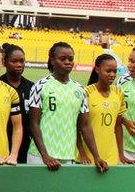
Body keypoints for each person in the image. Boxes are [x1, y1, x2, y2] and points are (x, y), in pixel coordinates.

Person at [27, 42, 107, 172]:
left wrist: (96, 156)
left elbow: (85, 126)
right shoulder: (40, 86)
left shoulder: (79, 89)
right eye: (62, 59)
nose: (68, 62)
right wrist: (45, 155)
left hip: (68, 157)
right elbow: (33, 123)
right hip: (41, 157)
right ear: (52, 61)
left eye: (70, 59)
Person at [79, 54, 128, 166]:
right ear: (97, 69)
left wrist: (120, 153)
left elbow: (117, 125)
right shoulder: (86, 93)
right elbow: (78, 127)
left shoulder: (118, 93)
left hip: (111, 155)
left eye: (115, 71)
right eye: (108, 71)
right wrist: (82, 154)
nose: (112, 75)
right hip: (89, 157)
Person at [1, 43, 34, 163]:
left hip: (26, 143)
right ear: (4, 62)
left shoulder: (32, 87)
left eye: (22, 61)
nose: (19, 64)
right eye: (14, 61)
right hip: (1, 140)